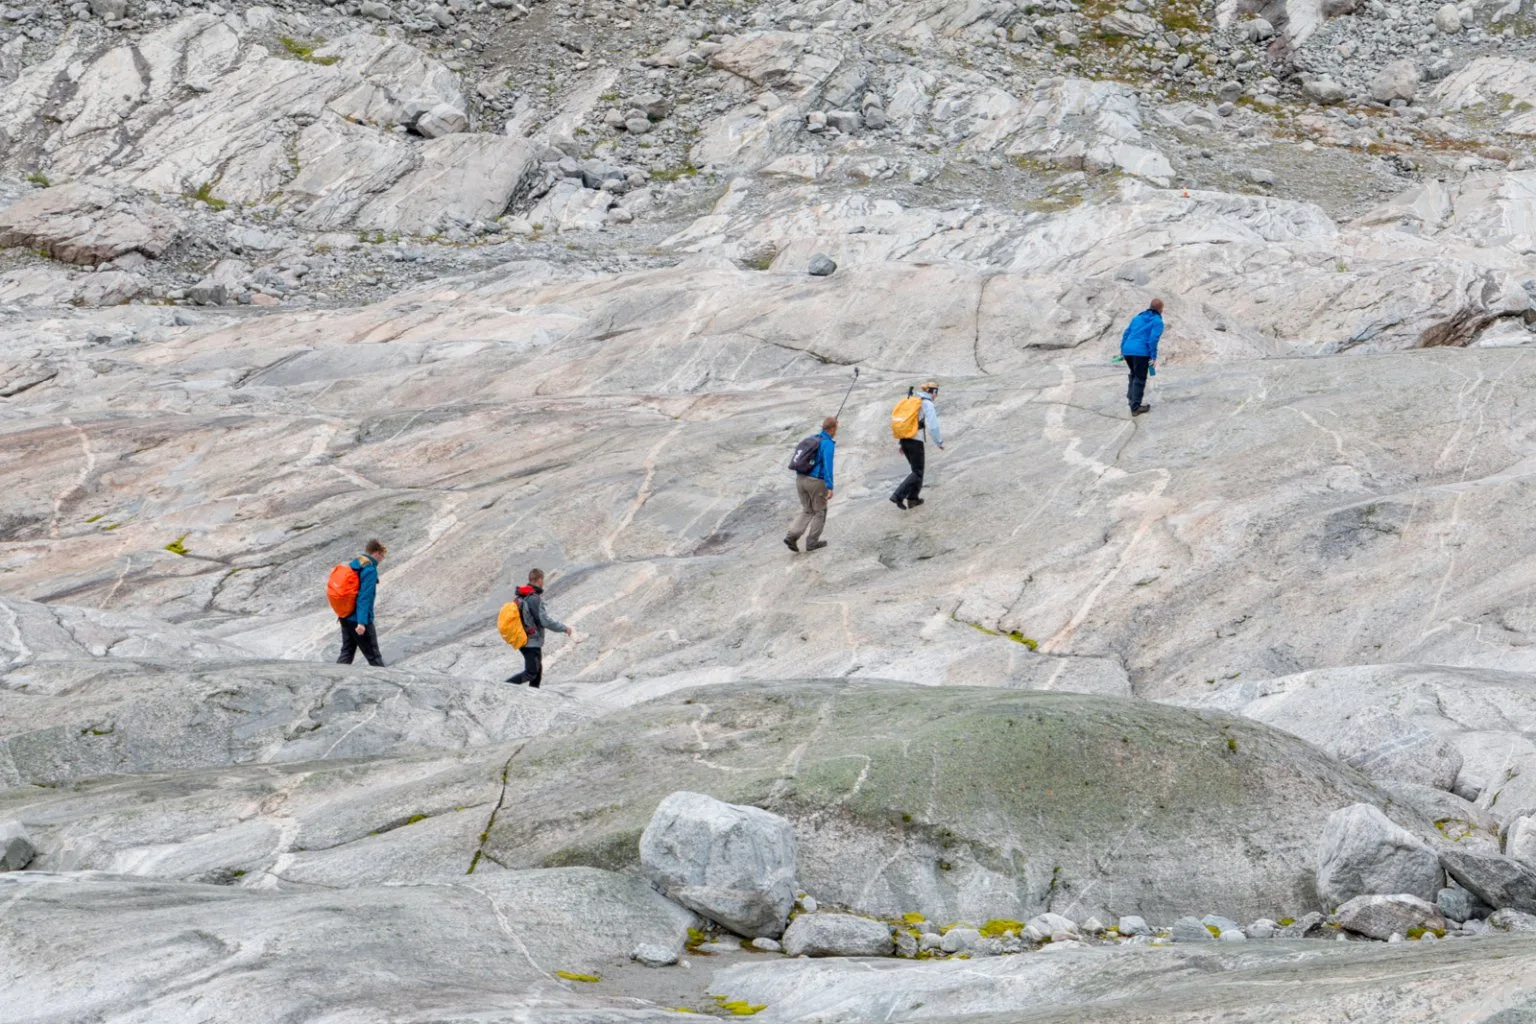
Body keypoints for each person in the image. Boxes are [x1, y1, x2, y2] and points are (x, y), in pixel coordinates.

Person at [506, 568, 573, 688]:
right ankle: (504, 687)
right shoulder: (533, 598)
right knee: (532, 673)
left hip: (524, 638)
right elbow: (545, 621)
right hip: (531, 642)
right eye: (543, 580)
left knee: (537, 673)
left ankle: (533, 698)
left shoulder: (522, 596)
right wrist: (564, 628)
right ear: (540, 580)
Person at [784, 416, 837, 553]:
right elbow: (827, 465)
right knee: (820, 511)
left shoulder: (813, 438)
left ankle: (791, 536)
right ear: (833, 429)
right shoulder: (828, 443)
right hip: (815, 482)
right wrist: (830, 486)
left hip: (800, 479)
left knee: (807, 510)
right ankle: (812, 543)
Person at [890, 381, 943, 510]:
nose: (937, 395)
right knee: (917, 472)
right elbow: (933, 426)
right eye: (936, 392)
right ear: (933, 392)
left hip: (905, 439)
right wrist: (939, 442)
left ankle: (913, 499)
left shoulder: (913, 400)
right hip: (915, 440)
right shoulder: (927, 403)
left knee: (917, 470)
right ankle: (898, 495)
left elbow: (905, 422)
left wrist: (901, 443)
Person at [337, 539, 387, 666]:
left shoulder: (355, 564)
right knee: (374, 657)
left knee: (346, 653)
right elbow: (364, 597)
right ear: (377, 552)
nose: (382, 559)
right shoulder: (369, 570)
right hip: (358, 619)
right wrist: (362, 622)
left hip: (345, 616)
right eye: (382, 555)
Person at [1120, 299, 1164, 417]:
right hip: (1141, 352)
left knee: (1133, 374)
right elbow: (1153, 340)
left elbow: (1126, 333)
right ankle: (1135, 407)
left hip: (1128, 350)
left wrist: (1123, 350)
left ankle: (1131, 398)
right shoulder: (1157, 321)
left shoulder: (1137, 318)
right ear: (1161, 309)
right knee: (1140, 378)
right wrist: (1153, 357)